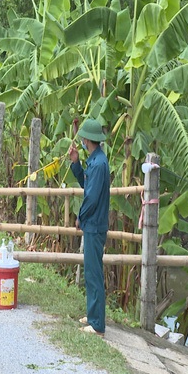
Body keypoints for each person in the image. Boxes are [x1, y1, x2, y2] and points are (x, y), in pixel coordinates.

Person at [68, 118, 110, 337]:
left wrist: (80, 216)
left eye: (83, 138)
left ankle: (97, 325)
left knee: (94, 274)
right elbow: (86, 183)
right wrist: (76, 163)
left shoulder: (100, 163)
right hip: (93, 224)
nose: (81, 141)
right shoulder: (95, 160)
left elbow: (91, 198)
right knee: (91, 273)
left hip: (94, 225)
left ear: (87, 139)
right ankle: (93, 316)